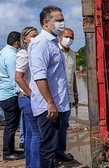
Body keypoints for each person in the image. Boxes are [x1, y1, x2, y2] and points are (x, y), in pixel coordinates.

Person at [28, 5, 70, 168]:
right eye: (58, 20)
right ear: (46, 22)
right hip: (49, 106)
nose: (62, 23)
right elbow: (39, 76)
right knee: (48, 149)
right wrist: (50, 102)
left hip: (59, 104)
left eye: (63, 20)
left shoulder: (53, 43)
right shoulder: (41, 43)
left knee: (53, 147)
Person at [15, 27, 40, 168]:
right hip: (28, 98)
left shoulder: (29, 53)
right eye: (33, 36)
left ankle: (30, 164)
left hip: (26, 98)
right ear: (25, 39)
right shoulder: (24, 54)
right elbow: (18, 78)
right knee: (37, 135)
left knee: (30, 134)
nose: (36, 38)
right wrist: (32, 94)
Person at [0, 31, 25, 160]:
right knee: (11, 125)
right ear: (17, 42)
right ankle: (8, 153)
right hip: (10, 95)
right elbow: (14, 78)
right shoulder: (11, 56)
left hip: (4, 94)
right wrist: (20, 92)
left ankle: (11, 150)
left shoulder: (4, 52)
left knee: (11, 125)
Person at [56, 28, 79, 162]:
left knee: (64, 125)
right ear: (60, 37)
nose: (69, 39)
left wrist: (76, 93)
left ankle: (60, 152)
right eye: (66, 36)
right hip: (55, 95)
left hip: (68, 95)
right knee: (53, 125)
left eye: (72, 37)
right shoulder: (54, 50)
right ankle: (50, 154)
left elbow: (73, 75)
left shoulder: (72, 54)